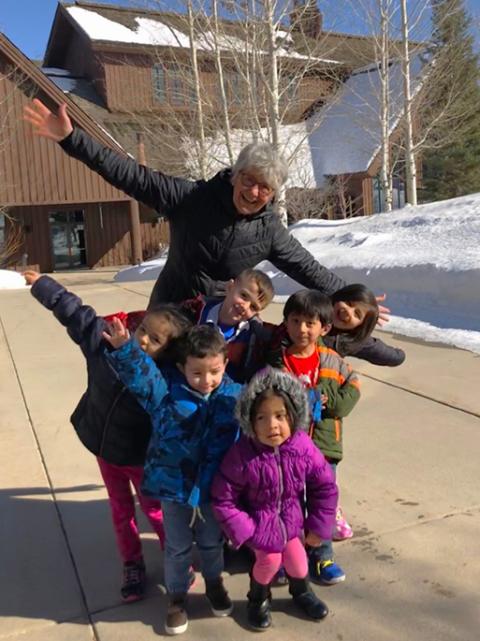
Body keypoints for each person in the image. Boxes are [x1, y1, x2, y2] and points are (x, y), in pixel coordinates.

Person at [23, 99, 385, 311]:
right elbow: (128, 173)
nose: (255, 192)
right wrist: (71, 139)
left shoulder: (269, 230)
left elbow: (307, 268)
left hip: (218, 319)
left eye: (265, 188)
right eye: (249, 181)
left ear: (273, 195)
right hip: (168, 308)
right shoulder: (190, 198)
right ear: (234, 175)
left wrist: (350, 297)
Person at [23, 270, 191, 603]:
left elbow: (154, 391)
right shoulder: (104, 345)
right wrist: (42, 283)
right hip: (104, 448)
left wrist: (129, 353)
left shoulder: (162, 379)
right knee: (120, 509)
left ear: (168, 352)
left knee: (156, 511)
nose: (143, 340)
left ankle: (177, 559)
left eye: (155, 340)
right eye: (143, 330)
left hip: (141, 458)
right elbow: (77, 313)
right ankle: (132, 563)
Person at [104, 323, 241, 636]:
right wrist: (125, 349)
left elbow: (271, 406)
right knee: (177, 548)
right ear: (182, 368)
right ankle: (177, 597)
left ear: (225, 364)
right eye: (197, 373)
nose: (206, 381)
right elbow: (143, 378)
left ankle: (215, 584)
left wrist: (308, 401)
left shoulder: (235, 397)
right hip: (174, 490)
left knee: (211, 543)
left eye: (214, 371)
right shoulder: (166, 395)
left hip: (213, 491)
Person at [211, 368, 338, 631]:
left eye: (280, 416)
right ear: (249, 421)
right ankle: (257, 599)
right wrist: (245, 532)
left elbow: (324, 486)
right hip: (259, 525)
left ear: (293, 416)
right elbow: (224, 498)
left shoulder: (302, 447)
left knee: (299, 562)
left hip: (291, 523)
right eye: (262, 417)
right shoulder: (243, 455)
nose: (272, 426)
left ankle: (301, 592)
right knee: (269, 561)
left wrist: (317, 527)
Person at [266, 289, 361, 585]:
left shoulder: (333, 361)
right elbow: (270, 402)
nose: (302, 329)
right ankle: (289, 555)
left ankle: (323, 557)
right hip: (288, 450)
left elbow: (352, 392)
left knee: (322, 504)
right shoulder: (278, 362)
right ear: (286, 323)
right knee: (289, 503)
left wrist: (325, 400)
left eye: (310, 323)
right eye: (295, 321)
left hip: (324, 449)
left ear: (325, 327)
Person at [181, 268, 275, 382]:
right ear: (230, 287)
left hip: (226, 391)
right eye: (244, 295)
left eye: (253, 307)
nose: (245, 306)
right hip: (185, 381)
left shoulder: (253, 336)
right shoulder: (195, 311)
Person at [326, 284, 405, 366]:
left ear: (359, 327)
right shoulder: (314, 307)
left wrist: (400, 355)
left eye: (357, 314)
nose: (348, 311)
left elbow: (385, 355)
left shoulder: (350, 342)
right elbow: (316, 274)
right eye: (349, 303)